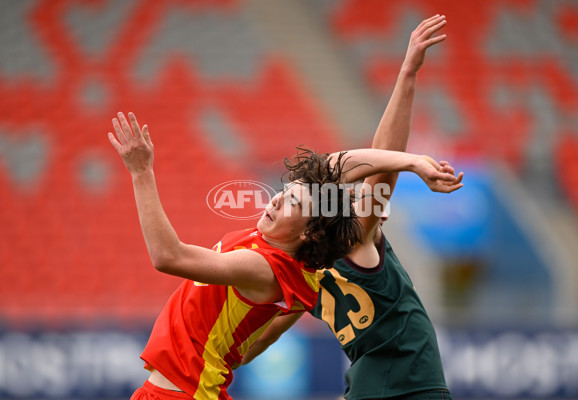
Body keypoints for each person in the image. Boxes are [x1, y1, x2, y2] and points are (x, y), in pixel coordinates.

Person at [107, 105, 463, 399]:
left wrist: (141, 173)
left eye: (292, 200)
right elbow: (332, 168)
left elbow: (169, 257)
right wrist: (411, 161)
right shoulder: (283, 247)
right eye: (285, 190)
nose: (277, 198)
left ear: (309, 231)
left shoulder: (267, 265)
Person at [240, 15, 458, 400]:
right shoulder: (320, 256)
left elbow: (380, 165)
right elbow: (270, 332)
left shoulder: (326, 254)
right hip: (398, 383)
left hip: (400, 384)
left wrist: (407, 75)